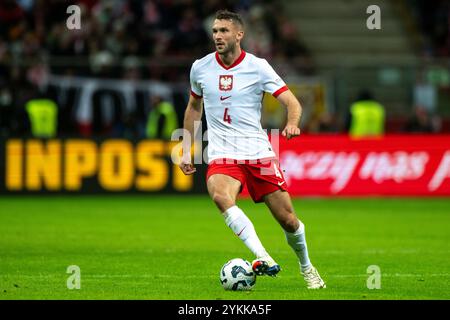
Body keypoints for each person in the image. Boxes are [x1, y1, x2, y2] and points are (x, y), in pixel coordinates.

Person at [179, 10, 325, 289]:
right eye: (214, 31)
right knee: (221, 197)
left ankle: (307, 267)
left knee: (289, 220)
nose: (218, 36)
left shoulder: (258, 67)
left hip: (257, 152)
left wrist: (292, 124)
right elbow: (194, 107)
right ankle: (262, 256)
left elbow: (292, 103)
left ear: (239, 35)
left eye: (223, 31)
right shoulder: (200, 67)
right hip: (223, 153)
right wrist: (188, 148)